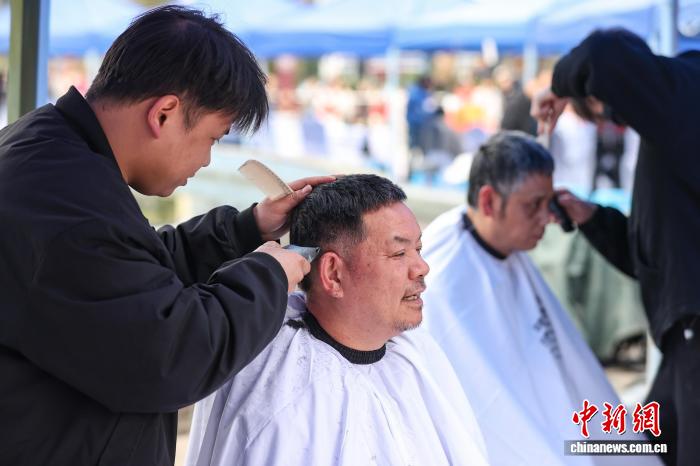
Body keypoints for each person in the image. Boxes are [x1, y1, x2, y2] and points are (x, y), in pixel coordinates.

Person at [0, 6, 333, 466]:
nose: (207, 160)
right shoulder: (64, 203)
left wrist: (247, 228)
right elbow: (170, 356)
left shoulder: (55, 154)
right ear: (164, 113)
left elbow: (129, 275)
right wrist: (269, 275)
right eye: (213, 138)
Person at [185, 174, 489, 466]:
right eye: (399, 253)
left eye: (418, 249)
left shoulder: (419, 356)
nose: (422, 267)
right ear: (333, 274)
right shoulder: (280, 386)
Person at [421, 132, 661, 465]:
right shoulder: (442, 276)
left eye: (549, 203)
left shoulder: (507, 251)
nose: (547, 217)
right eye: (532, 205)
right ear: (489, 202)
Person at [530, 28, 700, 465]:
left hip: (693, 335)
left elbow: (604, 55)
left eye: (598, 110)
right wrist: (593, 219)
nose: (612, 124)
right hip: (683, 338)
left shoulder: (687, 90)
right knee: (647, 446)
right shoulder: (675, 127)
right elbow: (659, 258)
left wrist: (560, 84)